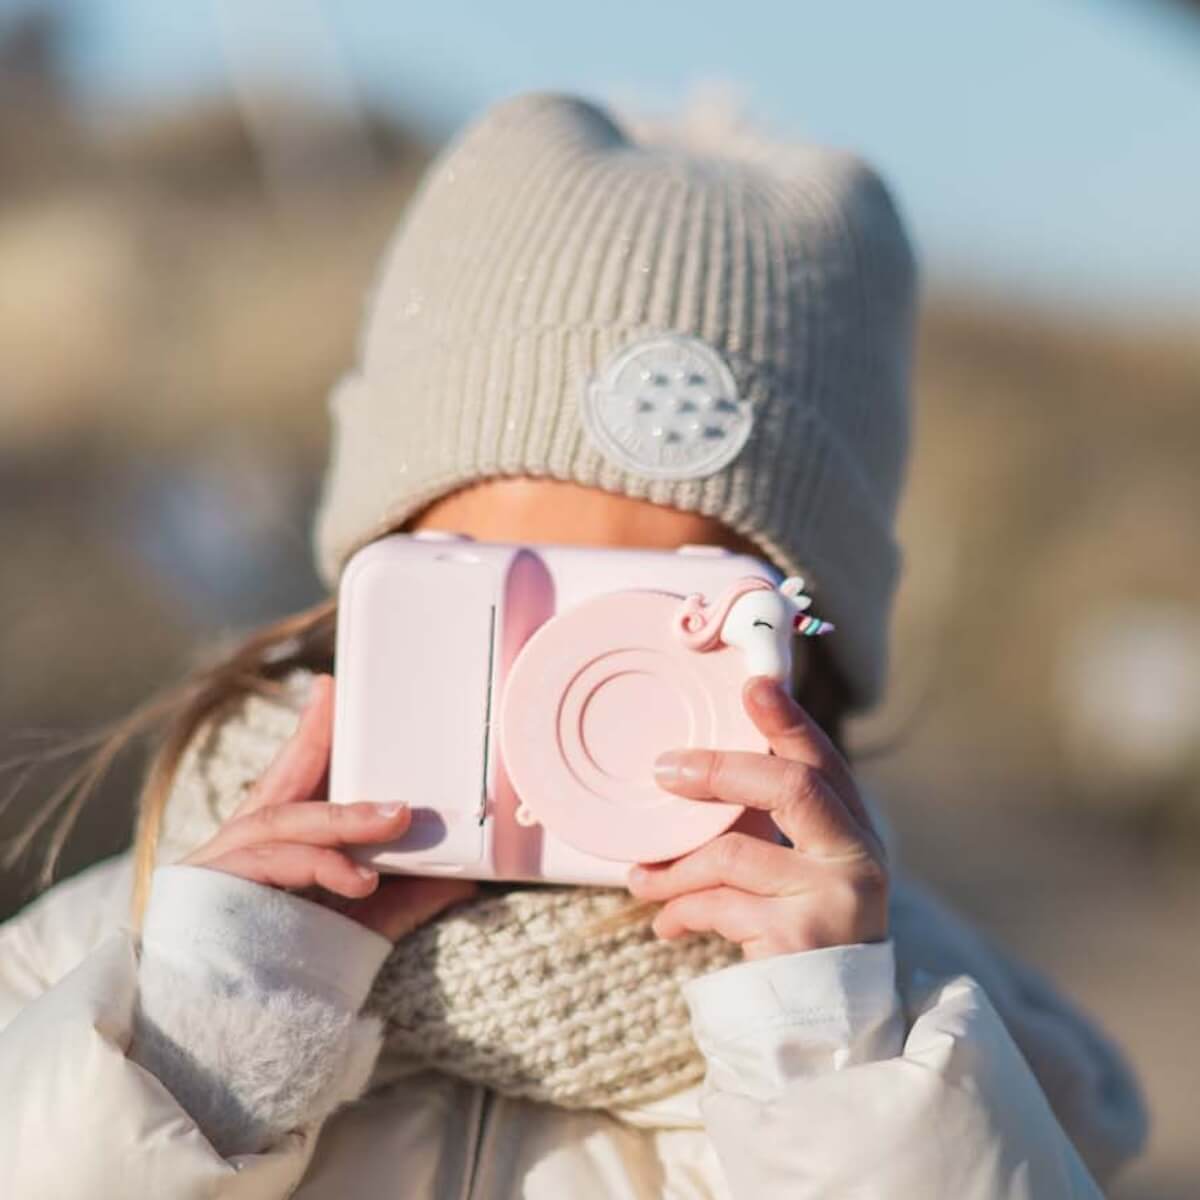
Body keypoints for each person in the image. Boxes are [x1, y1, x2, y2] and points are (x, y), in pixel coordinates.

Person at [0, 92, 1146, 1198]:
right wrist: (204, 1040)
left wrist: (826, 1045)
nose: (576, 689)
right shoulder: (119, 962)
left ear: (805, 646)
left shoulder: (920, 1038)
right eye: (500, 595)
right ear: (375, 580)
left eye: (667, 615)